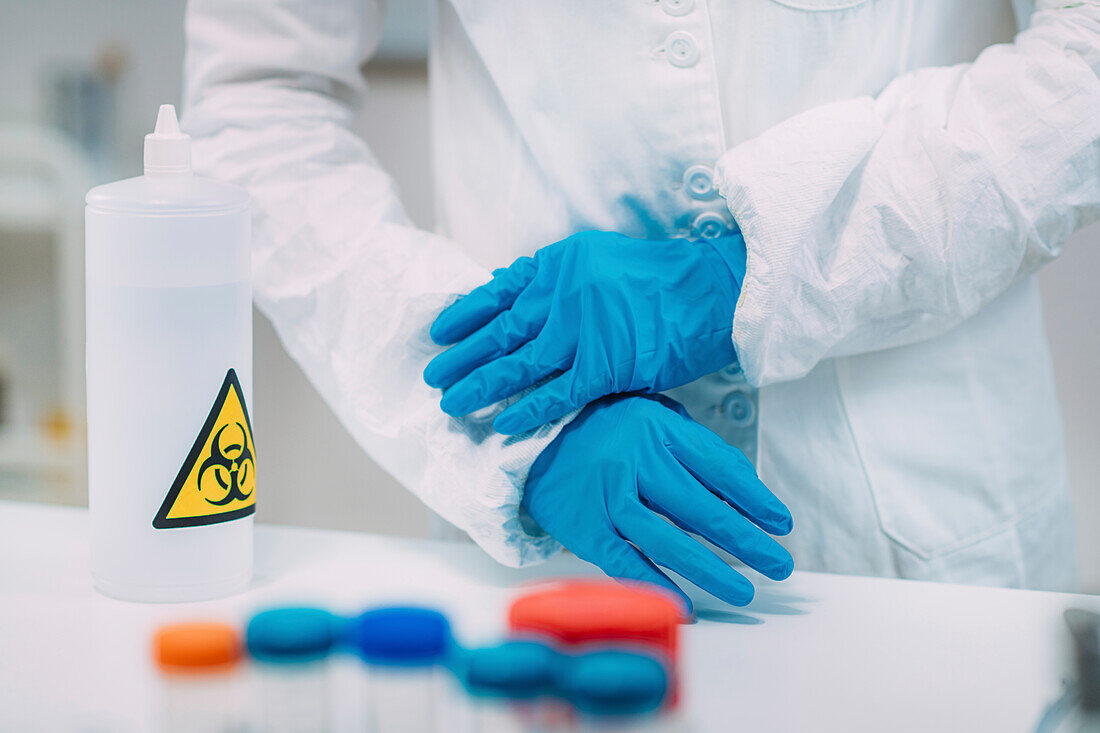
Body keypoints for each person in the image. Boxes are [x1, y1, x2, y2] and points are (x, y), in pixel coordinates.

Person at [184, 0, 1099, 610]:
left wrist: (745, 273)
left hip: (926, 539)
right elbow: (260, 105)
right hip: (553, 527)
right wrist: (517, 429)